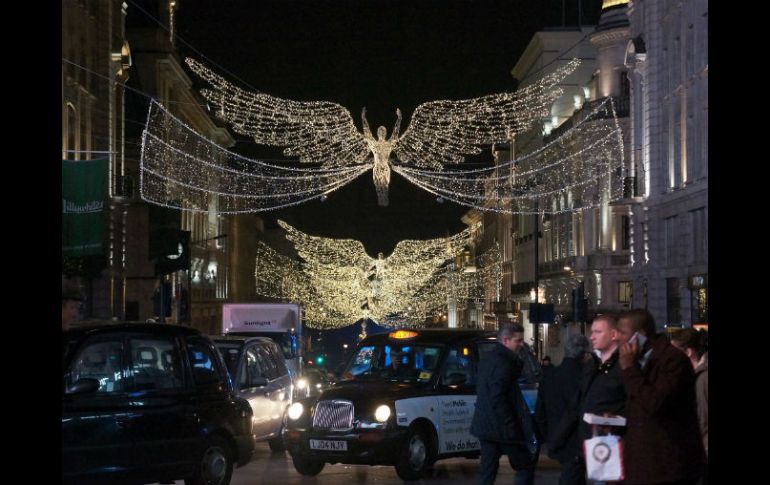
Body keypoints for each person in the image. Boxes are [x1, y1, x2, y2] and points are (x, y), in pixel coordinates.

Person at [617, 309, 705, 485]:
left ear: (639, 335)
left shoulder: (672, 361)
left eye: (622, 333)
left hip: (667, 466)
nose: (617, 338)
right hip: (643, 465)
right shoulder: (638, 360)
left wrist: (629, 370)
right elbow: (639, 405)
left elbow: (655, 402)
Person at [551, 315, 627, 484]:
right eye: (592, 332)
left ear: (613, 334)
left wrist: (615, 418)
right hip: (584, 443)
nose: (591, 336)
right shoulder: (592, 364)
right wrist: (558, 438)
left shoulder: (624, 366)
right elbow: (576, 405)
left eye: (598, 332)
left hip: (610, 445)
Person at [471, 323, 538, 485]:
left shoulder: (488, 359)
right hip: (502, 428)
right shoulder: (505, 363)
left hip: (486, 425)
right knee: (525, 465)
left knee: (487, 472)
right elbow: (499, 397)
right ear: (506, 340)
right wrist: (511, 425)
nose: (521, 345)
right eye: (518, 341)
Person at [535, 334, 591, 485]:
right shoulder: (584, 377)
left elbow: (540, 410)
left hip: (556, 436)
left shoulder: (550, 376)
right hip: (577, 439)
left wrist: (547, 435)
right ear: (585, 354)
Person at [670, 328, 708, 483]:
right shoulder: (697, 376)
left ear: (688, 352)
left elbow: (702, 421)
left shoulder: (702, 378)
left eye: (674, 352)